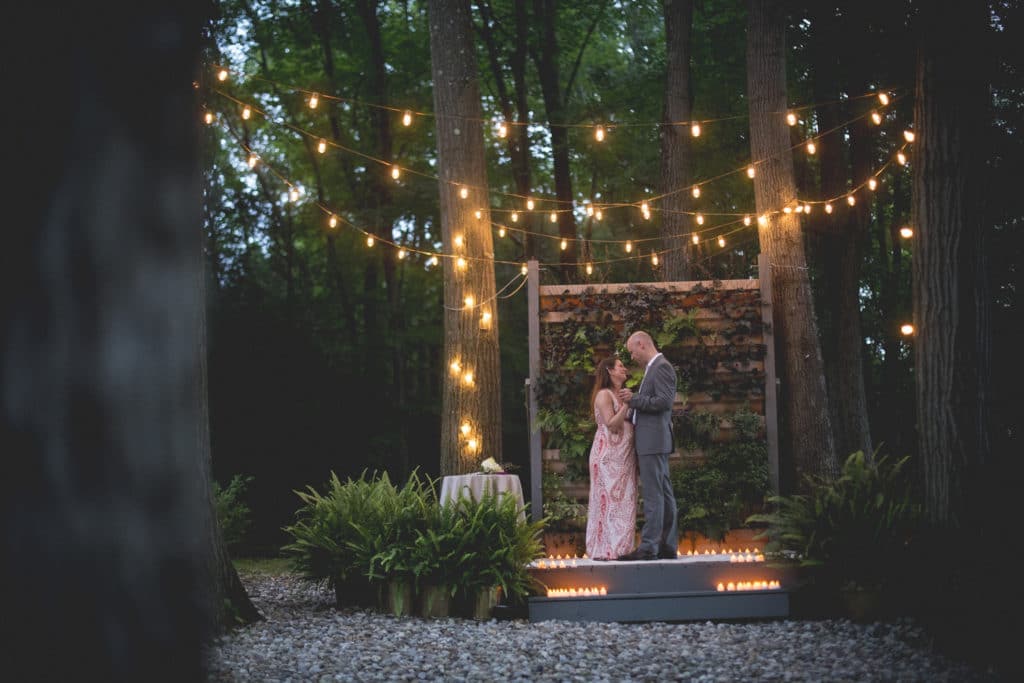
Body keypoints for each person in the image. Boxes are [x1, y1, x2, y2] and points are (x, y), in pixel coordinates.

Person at [616, 331, 679, 561]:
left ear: (641, 344)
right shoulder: (654, 368)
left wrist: (634, 399)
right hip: (654, 440)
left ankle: (649, 547)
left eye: (632, 351)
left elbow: (664, 402)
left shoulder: (661, 367)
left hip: (653, 441)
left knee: (654, 495)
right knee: (663, 493)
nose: (631, 357)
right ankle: (667, 545)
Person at [584, 356, 639, 560]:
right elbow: (612, 424)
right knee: (607, 501)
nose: (625, 369)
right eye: (620, 366)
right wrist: (626, 405)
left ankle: (622, 549)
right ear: (609, 370)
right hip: (607, 456)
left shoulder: (622, 393)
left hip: (625, 456)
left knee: (626, 502)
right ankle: (605, 550)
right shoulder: (604, 395)